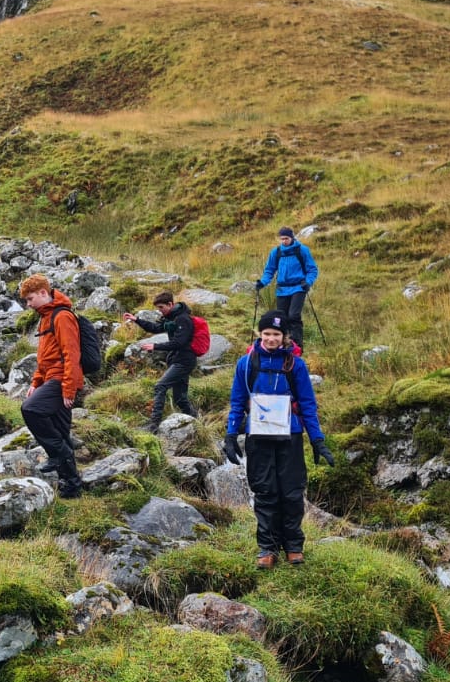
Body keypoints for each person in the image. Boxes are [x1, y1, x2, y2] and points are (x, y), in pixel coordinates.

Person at [223, 310, 336, 568]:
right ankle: (267, 548)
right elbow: (237, 400)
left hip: (291, 436)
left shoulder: (296, 365)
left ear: (284, 336)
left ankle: (294, 546)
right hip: (259, 436)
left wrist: (317, 440)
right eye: (266, 334)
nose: (271, 338)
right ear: (259, 334)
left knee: (292, 492)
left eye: (276, 334)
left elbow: (308, 404)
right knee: (265, 491)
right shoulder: (246, 363)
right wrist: (231, 434)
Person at [19, 274, 83, 499]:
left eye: (30, 299)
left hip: (61, 379)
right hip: (50, 379)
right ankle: (72, 485)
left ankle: (59, 453)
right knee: (62, 432)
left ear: (43, 293)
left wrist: (68, 388)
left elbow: (71, 353)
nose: (28, 304)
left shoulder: (62, 316)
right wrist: (36, 382)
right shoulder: (45, 316)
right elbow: (45, 357)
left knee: (31, 409)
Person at [122, 291, 198, 434]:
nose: (159, 311)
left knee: (160, 386)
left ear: (170, 304)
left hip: (184, 361)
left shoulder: (183, 319)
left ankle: (154, 425)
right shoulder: (170, 318)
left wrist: (155, 346)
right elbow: (156, 328)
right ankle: (196, 421)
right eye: (158, 308)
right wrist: (136, 319)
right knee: (180, 398)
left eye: (161, 307)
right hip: (178, 359)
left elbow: (179, 342)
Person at [256, 226, 318, 348]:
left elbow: (312, 269)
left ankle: (297, 345)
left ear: (292, 237)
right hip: (282, 289)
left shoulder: (302, 250)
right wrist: (262, 282)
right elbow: (269, 270)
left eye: (286, 238)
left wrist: (308, 282)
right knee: (281, 318)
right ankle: (284, 343)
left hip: (299, 287)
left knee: (294, 316)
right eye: (282, 239)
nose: (284, 241)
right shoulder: (276, 252)